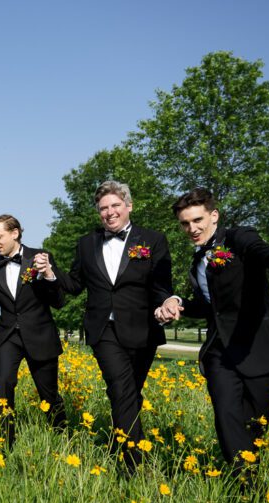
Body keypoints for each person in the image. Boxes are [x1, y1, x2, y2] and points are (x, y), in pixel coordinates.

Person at [155, 188, 269, 476]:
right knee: (226, 415)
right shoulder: (197, 260)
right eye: (185, 223)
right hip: (219, 353)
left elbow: (267, 255)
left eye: (198, 220)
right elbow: (208, 306)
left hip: (259, 347)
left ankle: (248, 482)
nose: (192, 228)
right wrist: (176, 302)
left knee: (255, 424)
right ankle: (244, 483)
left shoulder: (238, 238)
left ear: (214, 216)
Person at [36, 181, 172, 472]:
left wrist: (166, 303)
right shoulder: (87, 243)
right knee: (121, 389)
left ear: (129, 206)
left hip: (143, 329)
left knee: (130, 392)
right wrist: (50, 272)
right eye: (103, 208)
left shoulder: (153, 239)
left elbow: (161, 284)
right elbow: (74, 284)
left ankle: (119, 441)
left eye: (115, 206)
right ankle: (132, 466)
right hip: (103, 330)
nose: (109, 213)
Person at [0, 215, 66, 441]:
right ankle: (3, 441)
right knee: (2, 385)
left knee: (48, 393)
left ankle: (60, 438)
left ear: (15, 233)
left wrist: (48, 274)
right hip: (7, 335)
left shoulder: (40, 257)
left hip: (40, 335)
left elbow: (59, 301)